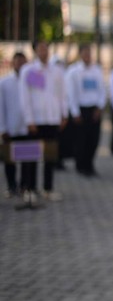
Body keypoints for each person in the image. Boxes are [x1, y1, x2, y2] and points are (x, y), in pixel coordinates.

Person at [18, 41, 68, 202]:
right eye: (40, 49)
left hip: (52, 118)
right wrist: (29, 120)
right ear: (35, 51)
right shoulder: (29, 70)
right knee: (32, 155)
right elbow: (24, 97)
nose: (44, 52)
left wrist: (63, 114)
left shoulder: (57, 71)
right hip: (36, 121)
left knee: (50, 155)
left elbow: (62, 94)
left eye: (46, 48)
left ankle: (48, 188)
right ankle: (30, 188)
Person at [66, 43, 107, 177]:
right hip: (81, 110)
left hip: (94, 110)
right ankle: (81, 166)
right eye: (85, 53)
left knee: (93, 140)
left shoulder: (97, 70)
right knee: (80, 140)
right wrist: (75, 113)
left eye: (89, 53)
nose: (88, 56)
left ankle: (90, 165)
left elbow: (102, 90)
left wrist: (100, 107)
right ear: (80, 54)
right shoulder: (73, 71)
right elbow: (71, 94)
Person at [0, 52, 28, 198]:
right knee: (10, 159)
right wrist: (2, 127)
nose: (21, 65)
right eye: (18, 62)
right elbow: (1, 107)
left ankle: (25, 186)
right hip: (10, 128)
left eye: (24, 62)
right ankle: (11, 186)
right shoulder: (4, 82)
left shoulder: (32, 80)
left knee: (26, 159)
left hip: (27, 127)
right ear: (12, 63)